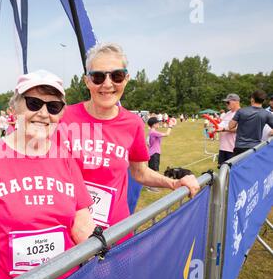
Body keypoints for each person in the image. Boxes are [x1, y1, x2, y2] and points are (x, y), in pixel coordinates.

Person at [0, 70, 95, 279]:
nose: (44, 113)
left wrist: (104, 264)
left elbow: (81, 225)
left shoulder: (65, 158)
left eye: (53, 107)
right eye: (34, 103)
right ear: (15, 108)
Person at [57, 42, 199, 235]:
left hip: (114, 232)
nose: (107, 84)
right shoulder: (63, 118)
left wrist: (173, 183)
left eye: (116, 76)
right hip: (69, 231)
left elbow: (140, 172)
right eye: (98, 77)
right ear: (87, 81)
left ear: (126, 79)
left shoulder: (133, 124)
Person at [229, 90, 273, 155]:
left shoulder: (241, 111)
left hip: (240, 147)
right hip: (255, 147)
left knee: (238, 165)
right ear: (263, 101)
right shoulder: (267, 114)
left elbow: (231, 126)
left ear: (252, 99)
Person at [145, 117, 173, 192]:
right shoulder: (153, 132)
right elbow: (167, 134)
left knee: (152, 170)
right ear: (154, 125)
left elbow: (147, 143)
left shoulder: (151, 132)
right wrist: (170, 126)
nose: (159, 124)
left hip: (153, 153)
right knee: (154, 171)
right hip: (154, 153)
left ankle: (149, 185)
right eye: (157, 123)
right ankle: (152, 187)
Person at [216, 93, 240, 168]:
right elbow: (221, 125)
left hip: (233, 148)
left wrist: (224, 129)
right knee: (222, 169)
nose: (226, 104)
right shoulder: (227, 113)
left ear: (236, 101)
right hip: (223, 147)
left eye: (228, 102)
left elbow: (239, 129)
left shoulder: (241, 113)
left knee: (232, 170)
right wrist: (215, 128)